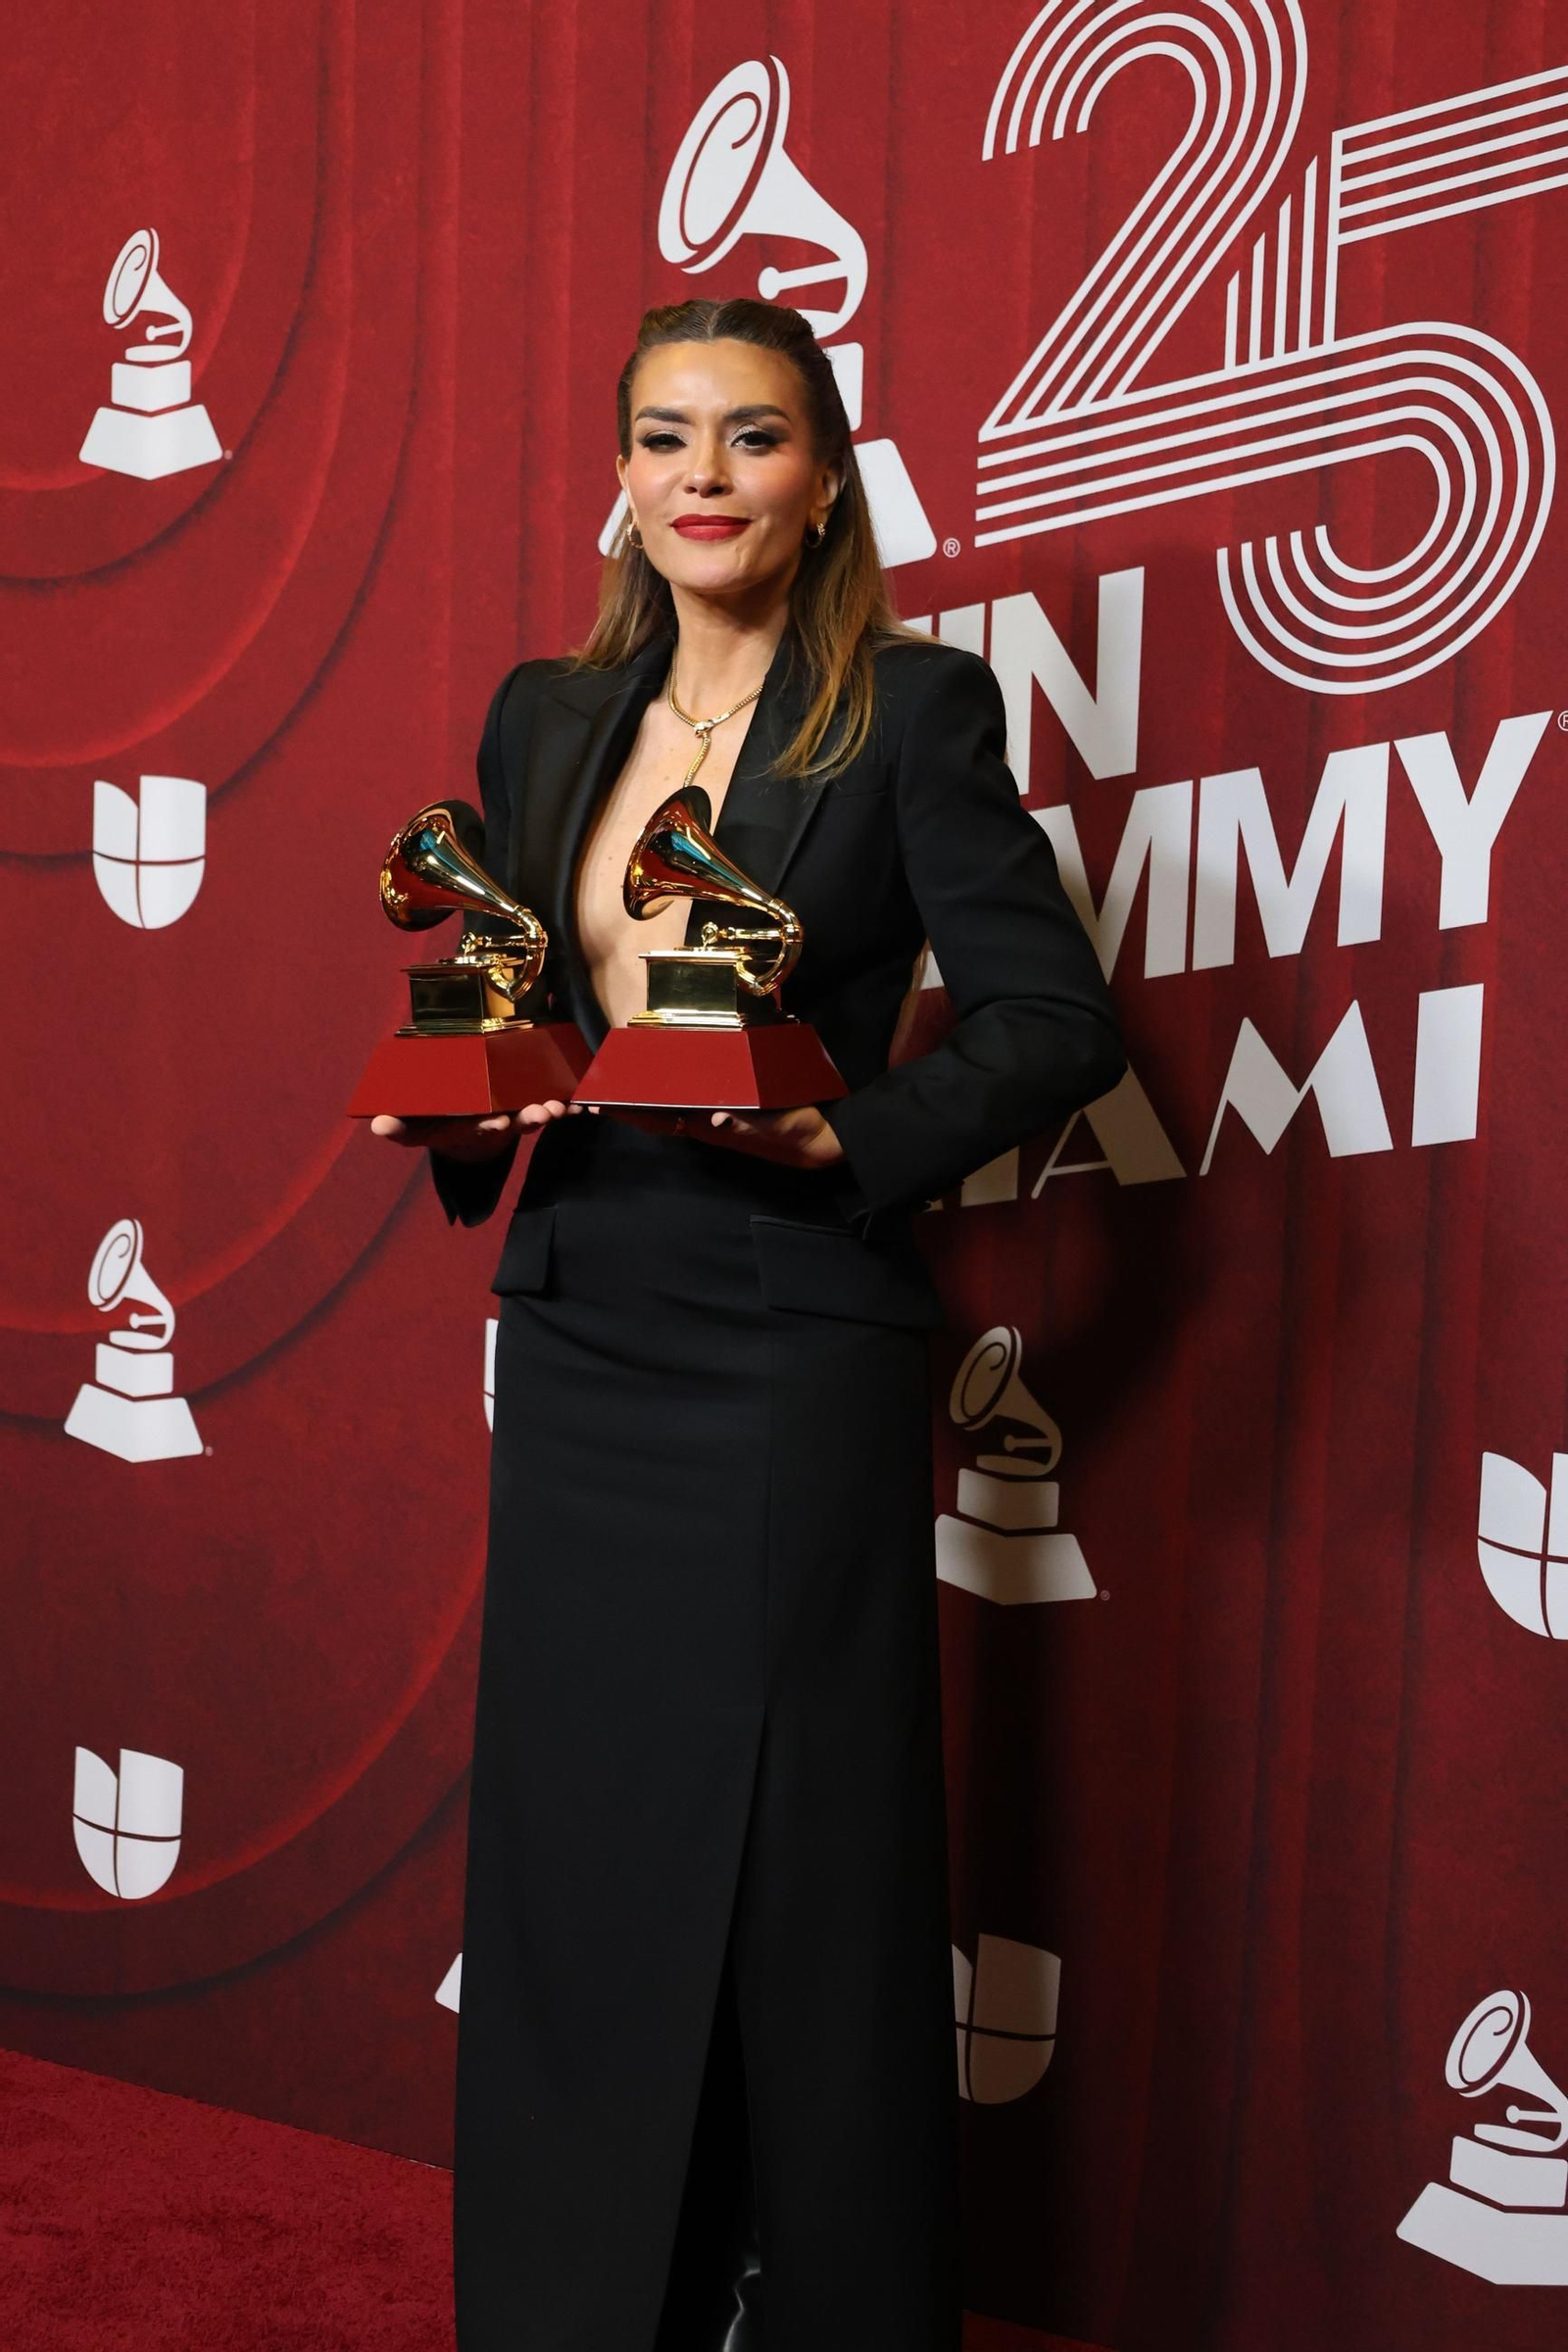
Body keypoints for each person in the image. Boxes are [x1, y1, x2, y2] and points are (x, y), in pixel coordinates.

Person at [371, 296, 1125, 2352]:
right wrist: (469, 1087)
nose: (702, 474)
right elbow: (522, 994)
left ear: (818, 483)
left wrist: (845, 1127)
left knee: (804, 1876)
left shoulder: (906, 711)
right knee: (578, 1864)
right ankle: (566, 2309)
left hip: (792, 1348)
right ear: (617, 479)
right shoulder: (546, 718)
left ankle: (826, 2313)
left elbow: (1055, 1022)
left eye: (752, 438)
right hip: (592, 1317)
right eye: (663, 435)